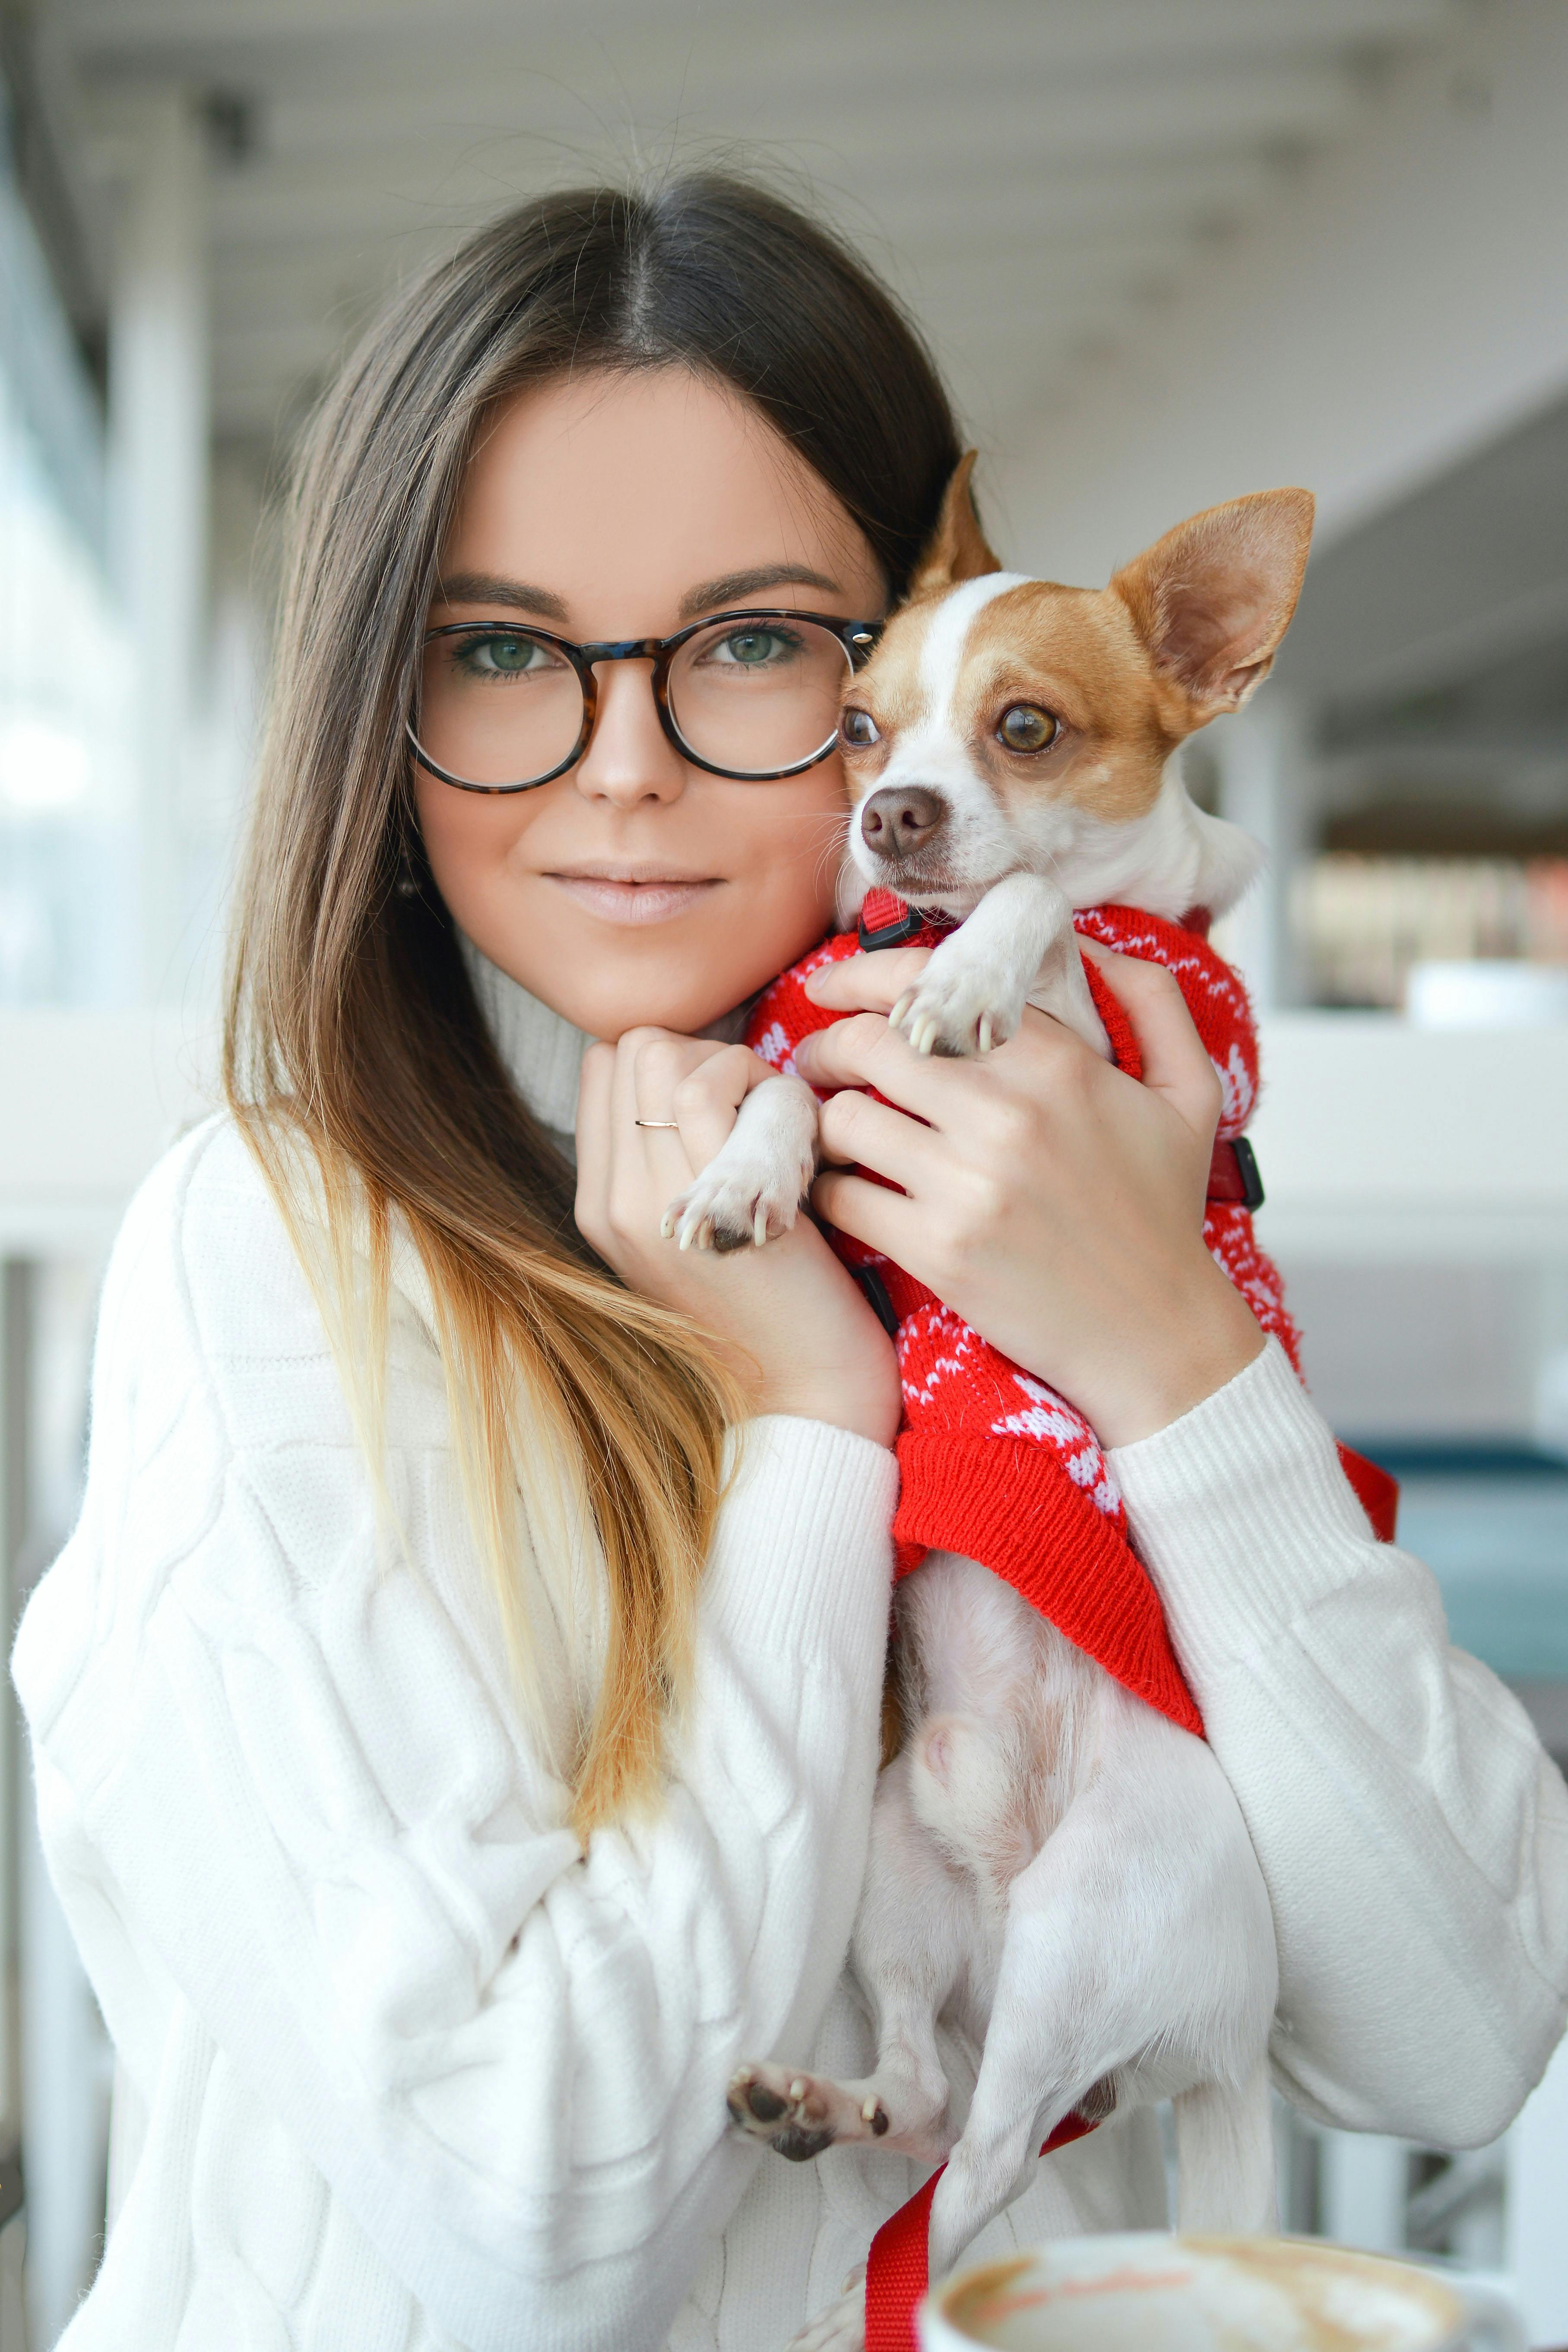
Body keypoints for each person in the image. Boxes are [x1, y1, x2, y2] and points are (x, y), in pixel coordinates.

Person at [14, 175, 1566, 2352]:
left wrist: (1171, 1359)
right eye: (497, 647)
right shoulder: (279, 1263)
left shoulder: (1087, 1174)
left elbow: (1457, 2039)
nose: (626, 768)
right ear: (375, 712)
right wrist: (813, 1426)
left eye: (756, 645)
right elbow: (528, 2233)